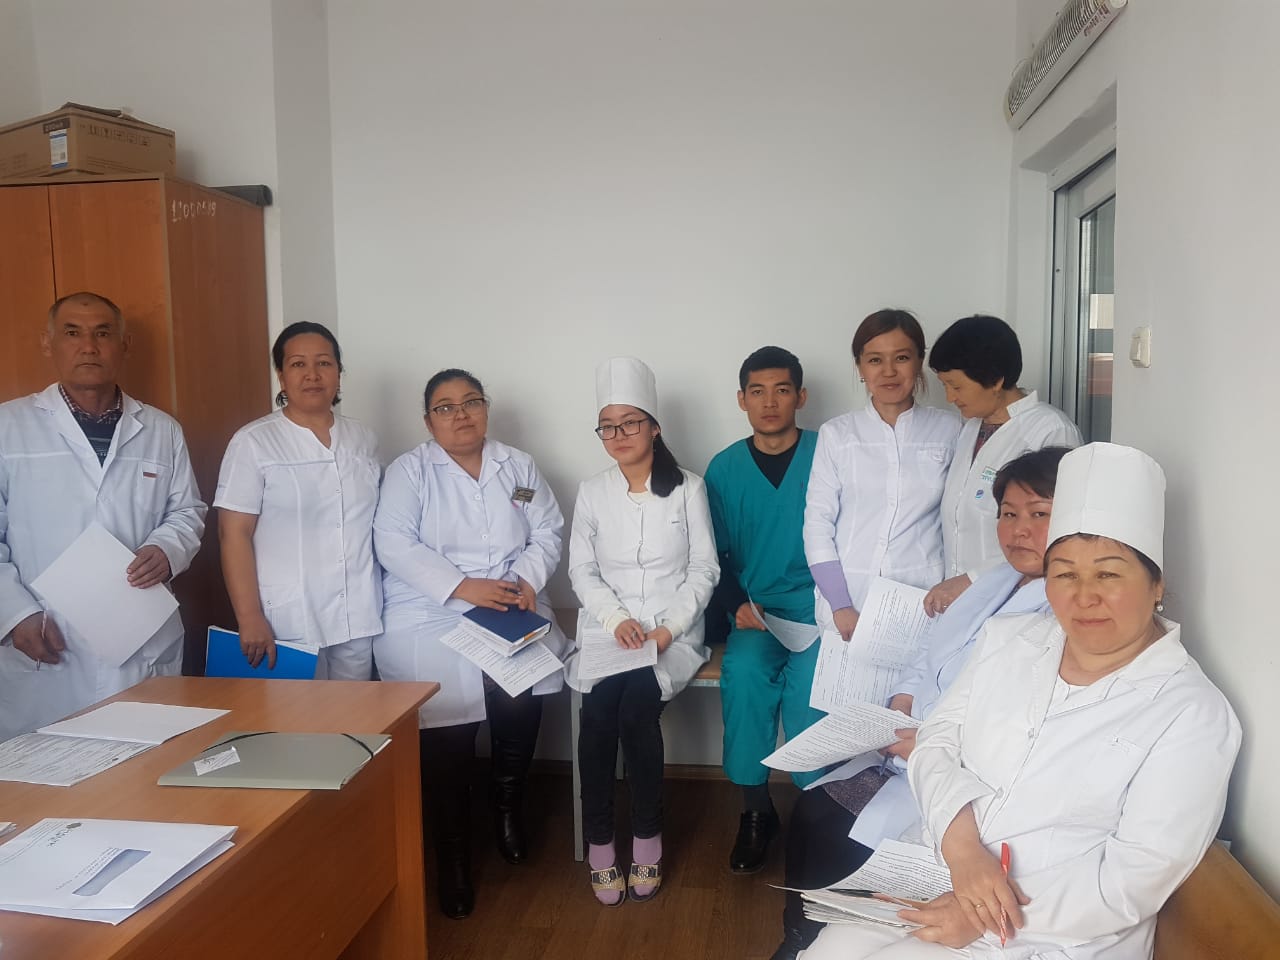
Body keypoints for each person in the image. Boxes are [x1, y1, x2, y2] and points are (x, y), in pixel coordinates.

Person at [800, 443, 1241, 959]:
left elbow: (1132, 878)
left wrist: (979, 914)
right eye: (1065, 573)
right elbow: (937, 742)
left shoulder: (1191, 713)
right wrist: (962, 848)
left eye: (1108, 573)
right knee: (826, 952)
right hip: (940, 871)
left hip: (1049, 930)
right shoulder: (1008, 639)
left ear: (1156, 583)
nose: (1084, 596)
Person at [772, 446, 1068, 960]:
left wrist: (923, 744)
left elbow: (1009, 718)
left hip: (954, 770)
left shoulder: (1059, 611)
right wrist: (904, 695)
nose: (1018, 530)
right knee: (810, 809)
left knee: (834, 827)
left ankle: (816, 934)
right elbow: (929, 652)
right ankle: (799, 935)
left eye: (1038, 514)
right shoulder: (992, 582)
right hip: (907, 740)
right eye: (1008, 514)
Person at [372, 368, 569, 920]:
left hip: (510, 599)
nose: (460, 414)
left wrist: (525, 580)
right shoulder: (410, 471)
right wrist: (462, 587)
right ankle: (453, 852)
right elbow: (393, 542)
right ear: (428, 419)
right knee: (445, 722)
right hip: (429, 608)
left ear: (486, 408)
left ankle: (507, 807)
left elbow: (547, 530)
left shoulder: (517, 466)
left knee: (521, 696)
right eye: (445, 406)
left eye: (471, 402)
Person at [0, 292, 206, 740]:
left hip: (140, 640)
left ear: (123, 344)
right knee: (48, 772)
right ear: (48, 343)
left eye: (102, 333)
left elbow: (187, 510)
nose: (88, 346)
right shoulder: (8, 426)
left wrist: (166, 549)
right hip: (46, 639)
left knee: (144, 766)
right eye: (72, 333)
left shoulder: (161, 429)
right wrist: (14, 614)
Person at [566, 356, 719, 906]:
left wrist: (667, 629)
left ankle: (648, 840)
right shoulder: (592, 491)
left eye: (630, 422)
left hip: (671, 633)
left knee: (635, 711)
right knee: (596, 715)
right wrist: (616, 620)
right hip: (610, 631)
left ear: (654, 426)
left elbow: (704, 569)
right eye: (608, 426)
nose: (619, 435)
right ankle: (601, 845)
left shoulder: (689, 488)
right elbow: (582, 570)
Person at [705, 345, 823, 874]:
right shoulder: (724, 469)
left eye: (781, 390)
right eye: (758, 391)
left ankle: (816, 813)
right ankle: (756, 812)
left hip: (821, 609)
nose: (770, 402)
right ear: (742, 399)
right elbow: (713, 553)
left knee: (811, 693)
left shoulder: (829, 454)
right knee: (746, 677)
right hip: (757, 610)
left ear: (801, 396)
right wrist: (735, 604)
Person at [215, 321, 382, 679]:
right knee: (298, 713)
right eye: (298, 364)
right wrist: (249, 616)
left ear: (339, 373)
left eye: (323, 363)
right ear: (281, 376)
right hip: (289, 617)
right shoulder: (254, 441)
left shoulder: (363, 438)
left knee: (358, 712)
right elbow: (233, 534)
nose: (312, 375)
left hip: (357, 612)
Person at [803, 308, 961, 661]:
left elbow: (959, 517)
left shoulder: (950, 430)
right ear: (860, 367)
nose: (888, 371)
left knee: (914, 694)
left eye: (901, 358)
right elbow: (817, 524)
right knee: (847, 697)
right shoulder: (838, 435)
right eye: (875, 360)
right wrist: (840, 604)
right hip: (849, 601)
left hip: (921, 599)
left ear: (919, 361)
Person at [924, 315, 1080, 617]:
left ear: (995, 380)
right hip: (960, 603)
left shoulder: (1050, 431)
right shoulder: (970, 429)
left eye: (956, 386)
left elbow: (1053, 534)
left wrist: (972, 580)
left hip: (1017, 604)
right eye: (944, 385)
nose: (950, 397)